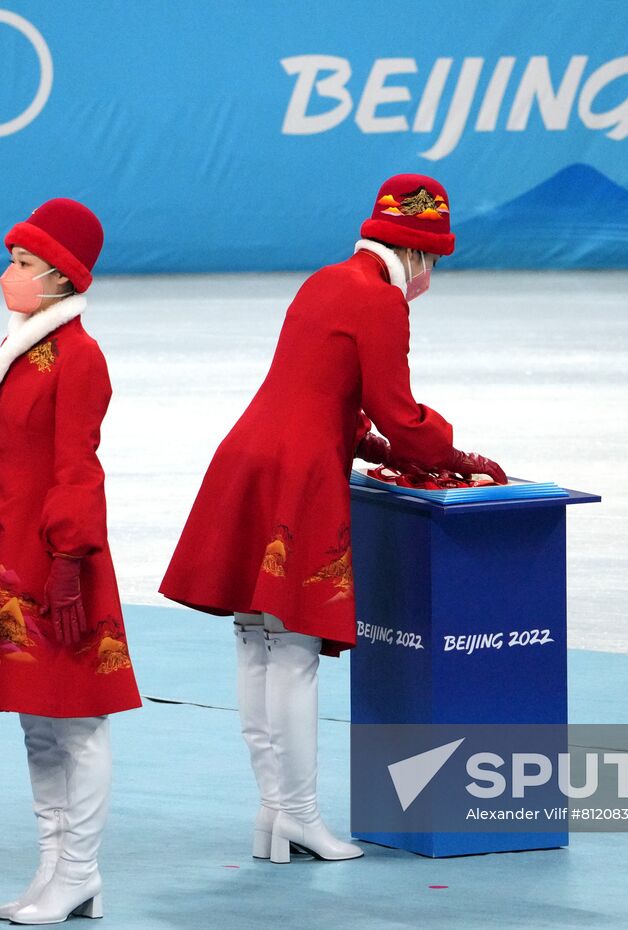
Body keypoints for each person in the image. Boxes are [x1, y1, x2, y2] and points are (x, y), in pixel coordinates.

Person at [159, 173, 506, 863]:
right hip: (299, 479)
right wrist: (455, 454)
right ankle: (301, 817)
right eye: (432, 262)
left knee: (256, 641)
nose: (430, 278)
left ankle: (273, 814)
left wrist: (371, 442)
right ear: (416, 253)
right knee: (293, 652)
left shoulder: (323, 280)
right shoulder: (379, 300)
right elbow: (398, 412)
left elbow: (322, 392)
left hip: (249, 462)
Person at [0, 198, 141, 924]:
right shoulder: (22, 344)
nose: (10, 274)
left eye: (25, 264)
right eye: (13, 260)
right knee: (35, 717)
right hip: (9, 551)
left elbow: (77, 467)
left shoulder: (79, 357)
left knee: (79, 717)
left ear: (61, 276)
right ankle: (53, 870)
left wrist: (68, 557)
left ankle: (82, 870)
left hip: (59, 556)